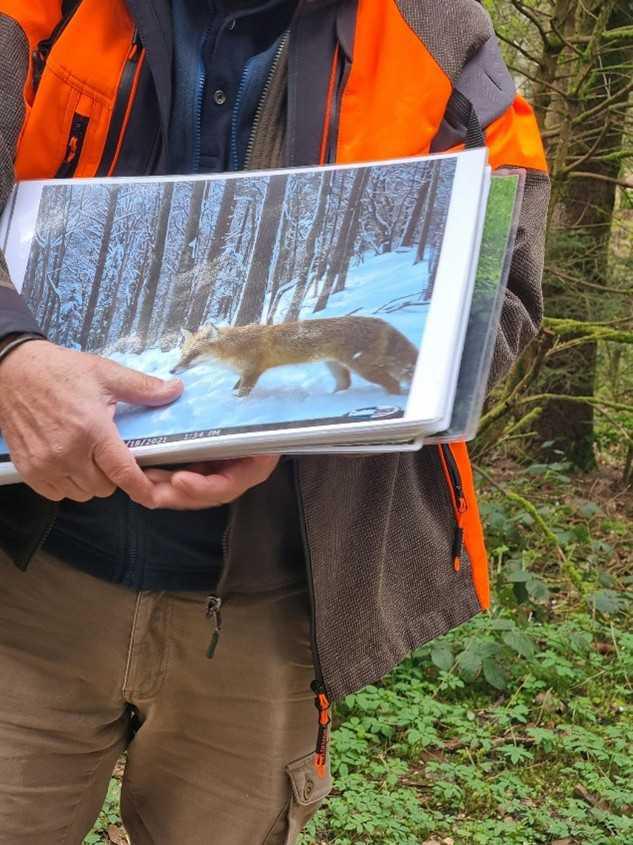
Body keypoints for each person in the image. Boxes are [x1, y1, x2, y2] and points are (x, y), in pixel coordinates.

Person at [0, 0, 550, 842]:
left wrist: (310, 427)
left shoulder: (436, 32)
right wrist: (9, 352)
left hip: (263, 614)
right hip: (25, 588)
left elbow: (500, 288)